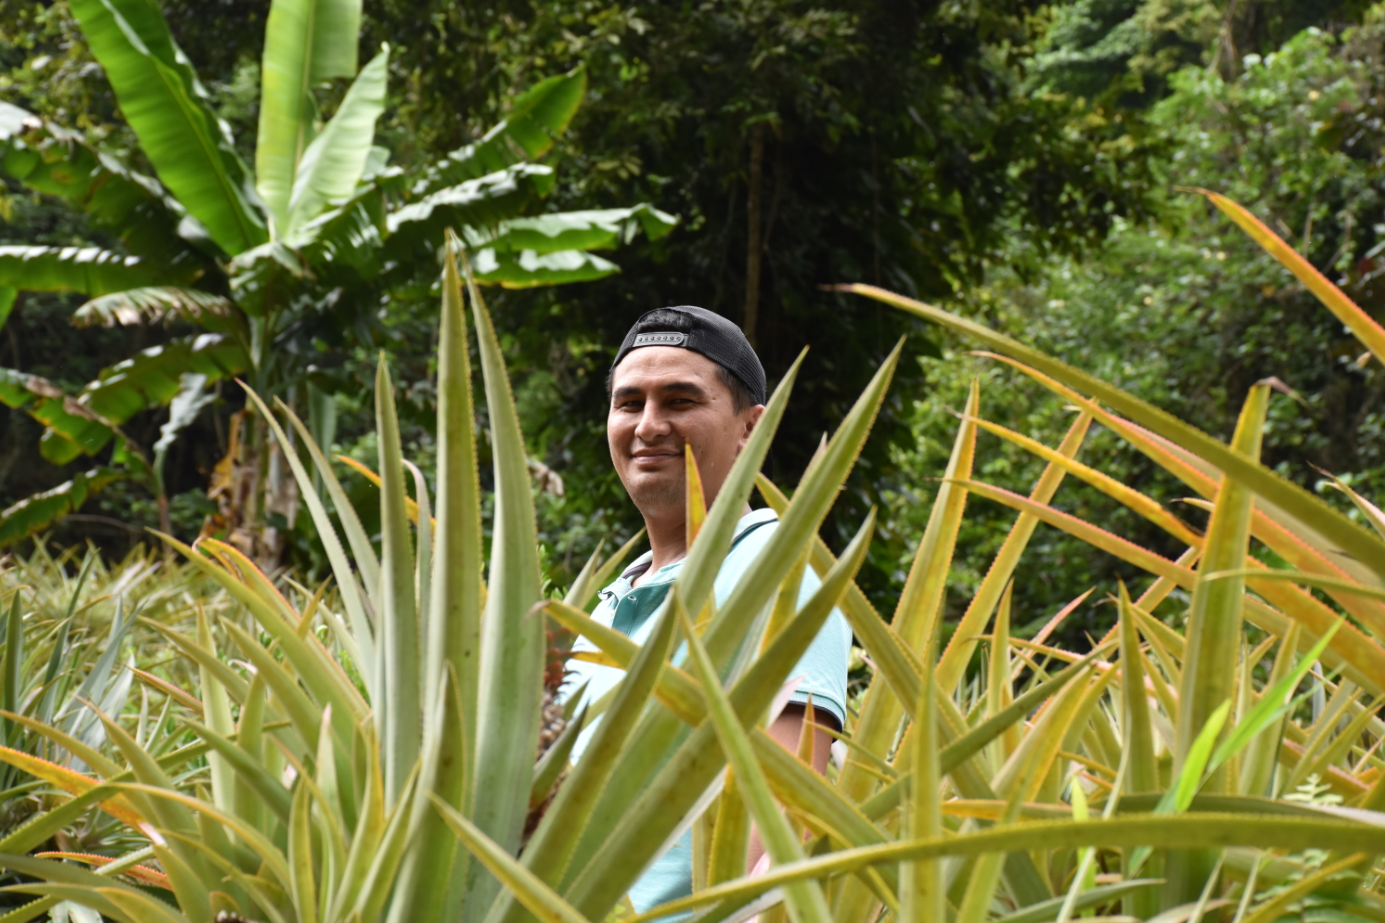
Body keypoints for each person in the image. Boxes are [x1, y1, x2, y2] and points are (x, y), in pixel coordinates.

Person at [563, 305, 851, 913]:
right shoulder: (611, 595)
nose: (648, 425)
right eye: (629, 402)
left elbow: (786, 826)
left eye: (680, 401)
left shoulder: (775, 569)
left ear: (751, 427)